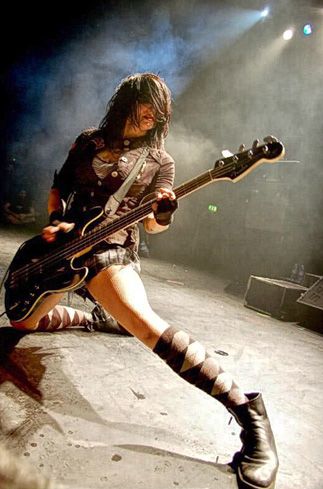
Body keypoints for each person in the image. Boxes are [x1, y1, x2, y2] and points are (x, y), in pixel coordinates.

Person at [7, 73, 278, 489]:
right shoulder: (88, 141)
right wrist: (56, 221)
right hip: (62, 249)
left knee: (148, 326)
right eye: (145, 105)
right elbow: (58, 187)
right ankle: (92, 320)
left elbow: (153, 225)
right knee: (22, 322)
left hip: (110, 251)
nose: (152, 115)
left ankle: (250, 414)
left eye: (159, 112)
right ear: (126, 102)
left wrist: (164, 213)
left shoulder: (159, 161)